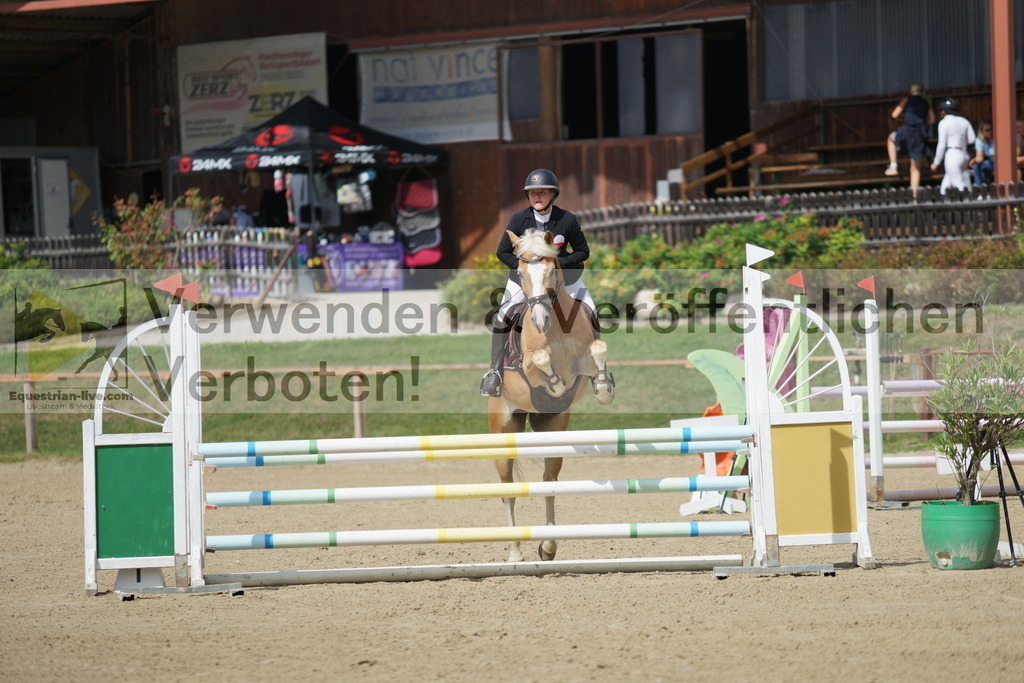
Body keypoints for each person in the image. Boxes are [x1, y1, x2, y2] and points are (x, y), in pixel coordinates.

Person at [479, 169, 595, 398]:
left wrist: (556, 266)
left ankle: (598, 371)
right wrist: (527, 269)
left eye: (542, 192)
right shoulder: (518, 219)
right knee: (502, 317)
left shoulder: (567, 219)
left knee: (592, 312)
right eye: (532, 193)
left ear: (553, 194)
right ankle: (495, 372)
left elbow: (583, 251)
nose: (537, 197)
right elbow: (502, 252)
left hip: (564, 279)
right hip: (527, 281)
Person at [884, 83, 935, 195]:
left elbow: (894, 114)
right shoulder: (926, 102)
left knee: (891, 138)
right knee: (915, 168)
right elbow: (932, 120)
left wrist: (904, 119)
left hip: (906, 131)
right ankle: (914, 195)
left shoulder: (907, 99)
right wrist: (922, 121)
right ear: (922, 92)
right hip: (919, 135)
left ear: (911, 92)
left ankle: (893, 165)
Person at [930, 98, 975, 195]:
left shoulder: (943, 122)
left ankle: (969, 199)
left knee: (959, 184)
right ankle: (943, 199)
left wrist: (936, 162)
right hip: (964, 154)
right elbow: (972, 139)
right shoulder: (964, 121)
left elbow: (941, 145)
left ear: (944, 111)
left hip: (952, 154)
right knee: (946, 184)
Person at [969, 120, 994, 186]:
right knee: (977, 166)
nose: (990, 132)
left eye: (991, 129)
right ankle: (979, 186)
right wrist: (975, 160)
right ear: (982, 131)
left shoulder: (995, 139)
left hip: (998, 163)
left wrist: (974, 160)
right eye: (987, 130)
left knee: (985, 164)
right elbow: (980, 158)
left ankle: (984, 185)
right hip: (989, 163)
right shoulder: (980, 140)